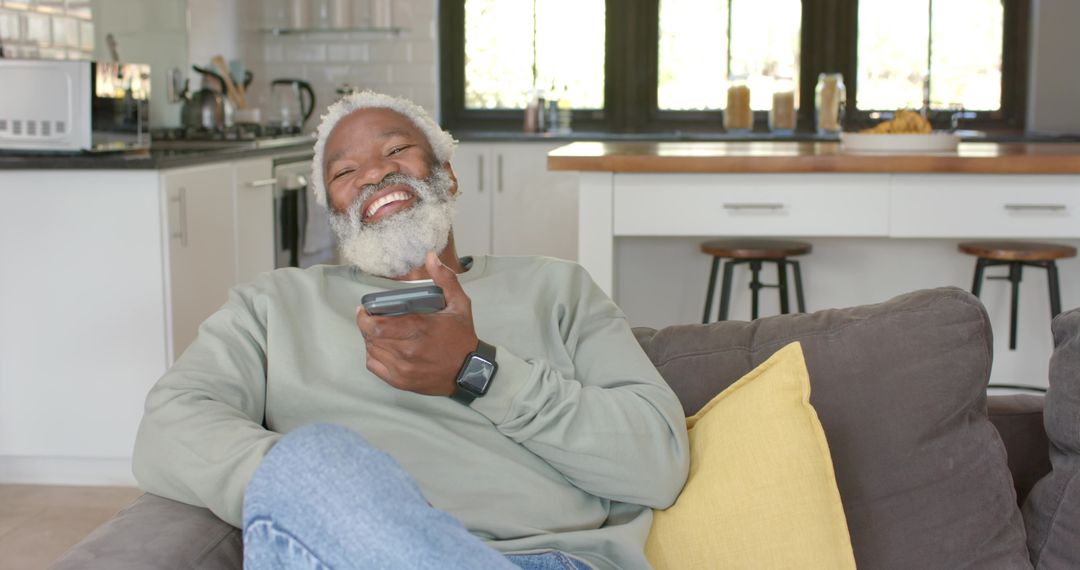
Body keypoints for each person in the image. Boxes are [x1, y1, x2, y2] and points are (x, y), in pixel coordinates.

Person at [132, 91, 690, 570]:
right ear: (336, 215)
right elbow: (169, 427)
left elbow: (656, 465)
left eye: (397, 149)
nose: (374, 172)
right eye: (345, 172)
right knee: (311, 459)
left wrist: (478, 371)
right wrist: (329, 491)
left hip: (543, 558)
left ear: (447, 173)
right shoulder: (271, 306)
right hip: (344, 553)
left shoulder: (558, 288)